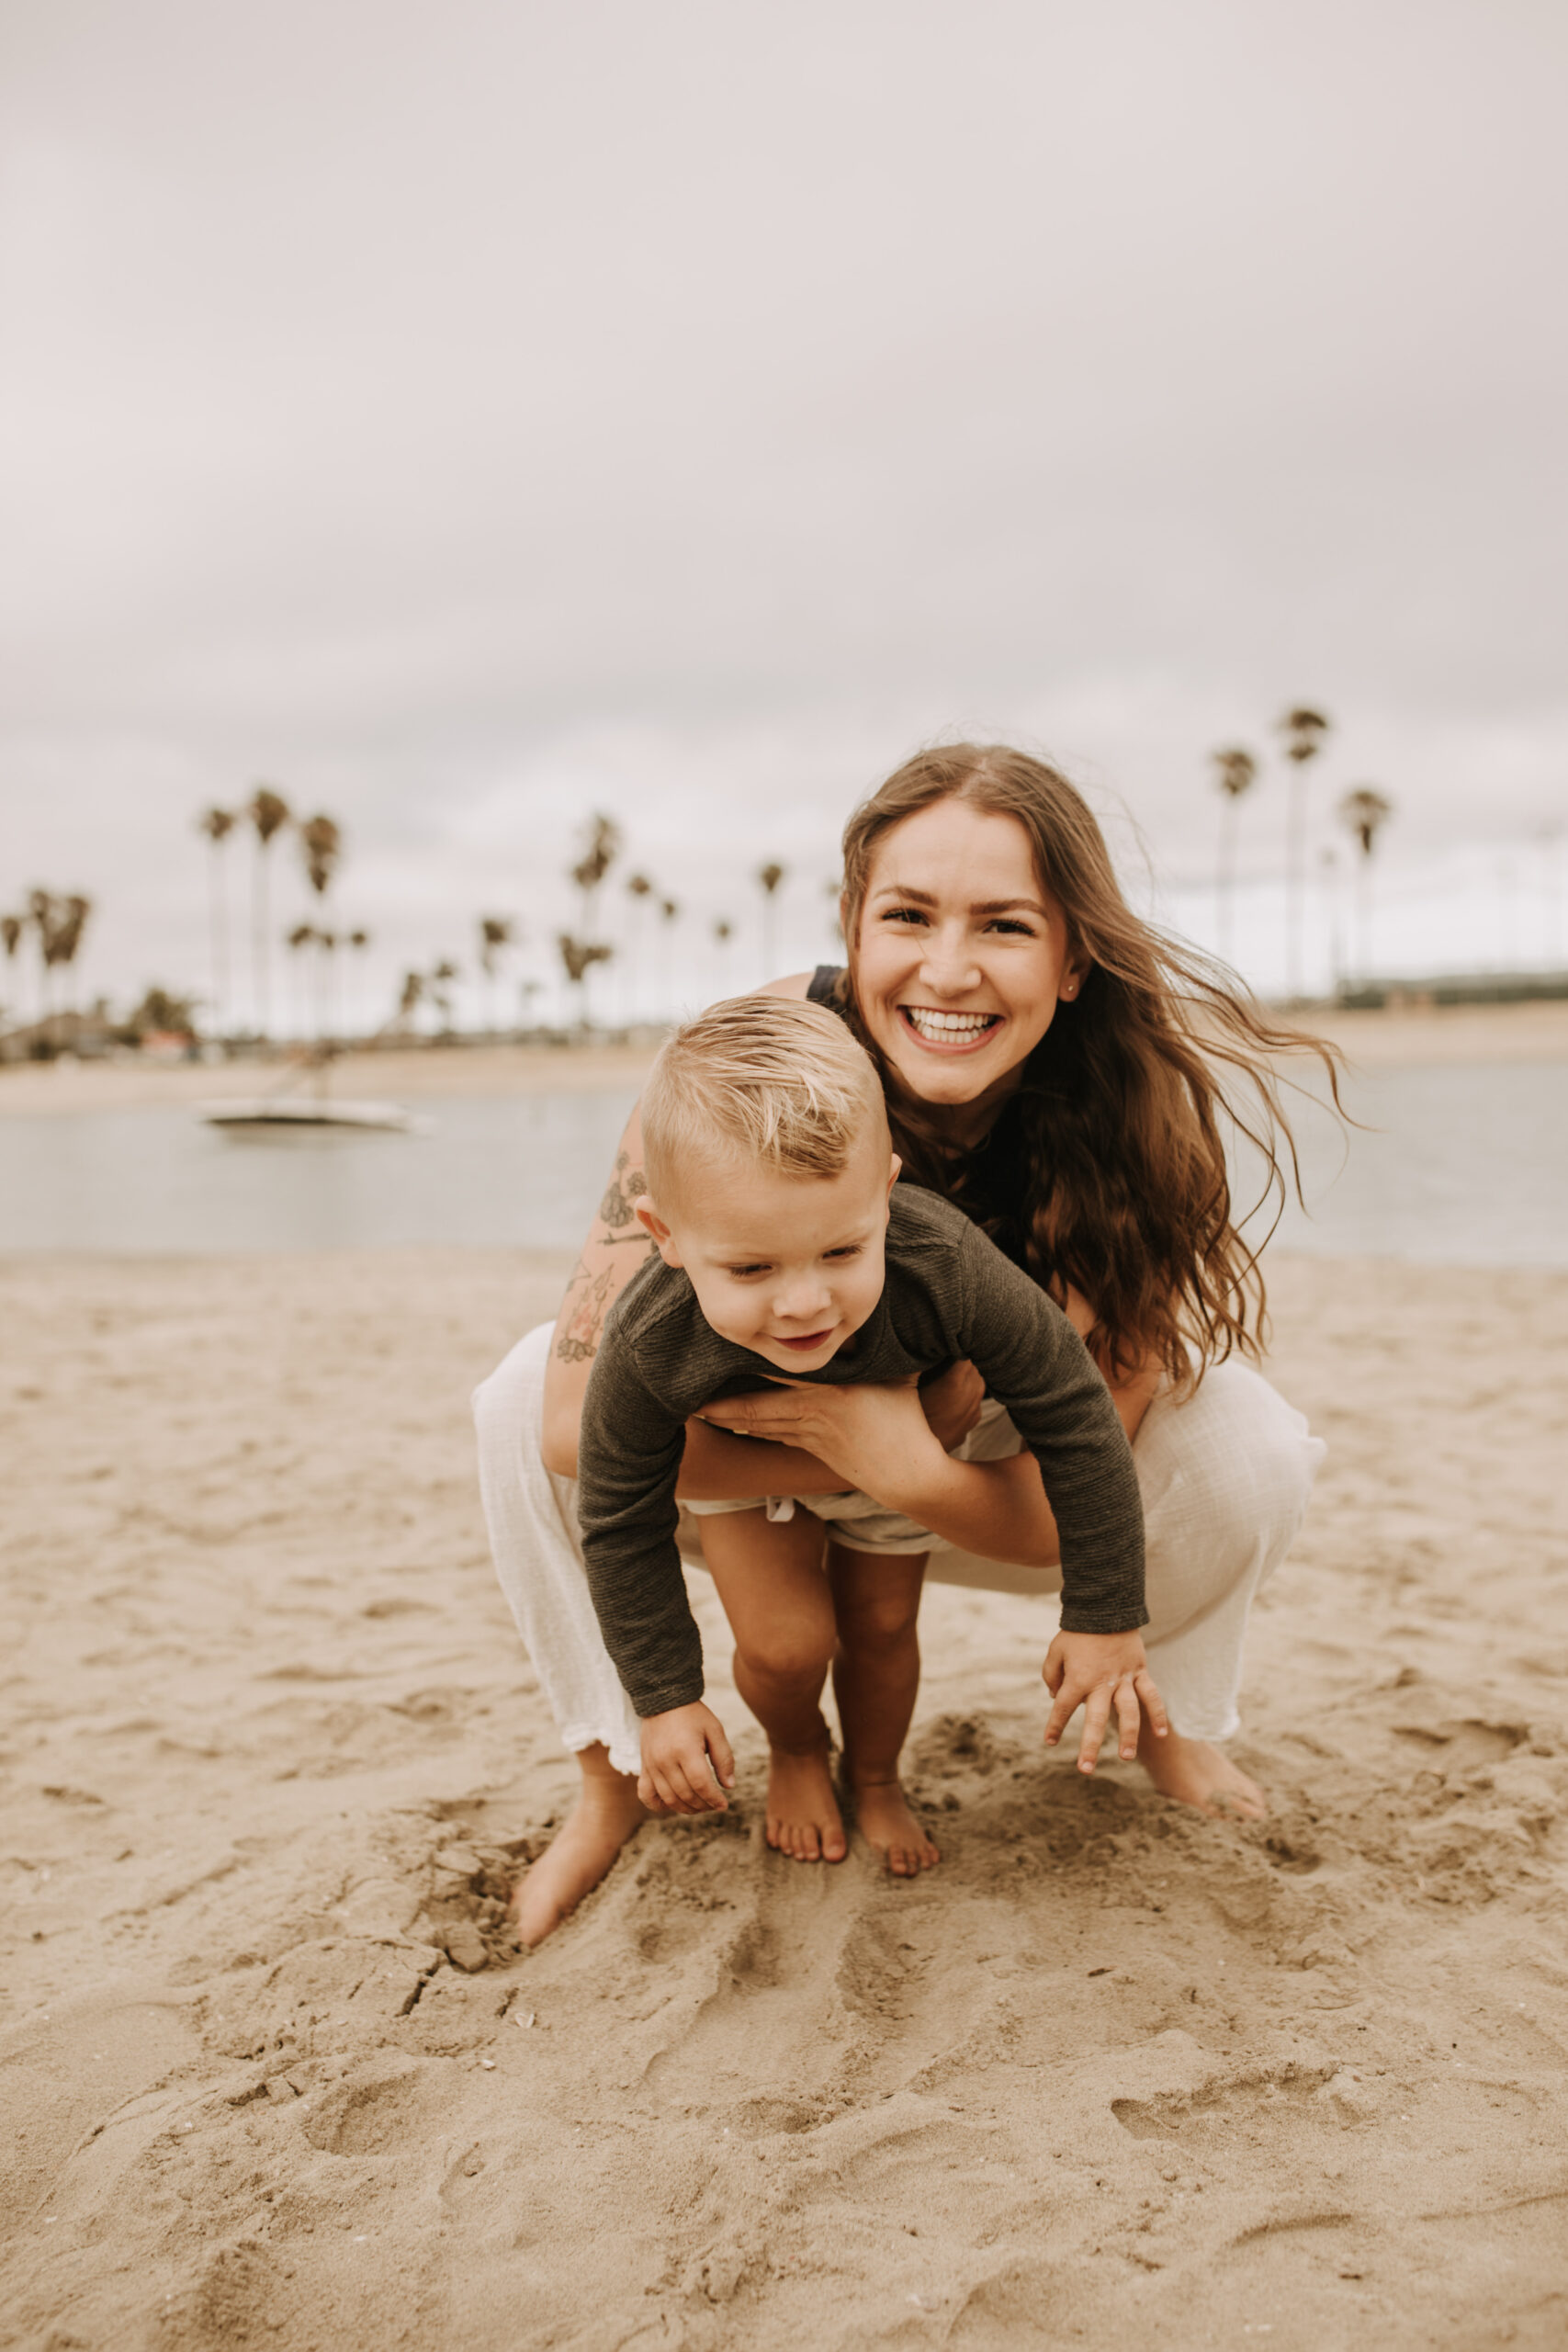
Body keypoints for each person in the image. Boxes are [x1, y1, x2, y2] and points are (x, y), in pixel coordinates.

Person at [474, 741, 1331, 1946]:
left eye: (1003, 926)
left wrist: (911, 1465)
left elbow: (1061, 1477)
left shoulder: (1125, 1123)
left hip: (976, 1457)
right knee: (518, 1395)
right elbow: (576, 1428)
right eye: (908, 916)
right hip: (746, 1426)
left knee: (1251, 1447)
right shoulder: (745, 1070)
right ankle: (610, 1774)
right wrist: (840, 1446)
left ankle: (1168, 1726)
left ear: (1074, 954)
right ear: (850, 926)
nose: (947, 968)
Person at [575, 995, 1168, 1868]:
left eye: (843, 1253)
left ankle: (879, 1778)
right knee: (783, 1649)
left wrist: (1104, 1615)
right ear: (667, 1236)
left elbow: (1073, 1411)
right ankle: (798, 1749)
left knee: (883, 1629)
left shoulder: (944, 1263)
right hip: (755, 1471)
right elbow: (617, 1514)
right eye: (750, 1268)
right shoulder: (649, 1341)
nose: (805, 1302)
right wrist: (663, 1699)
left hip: (907, 1447)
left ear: (885, 1197)